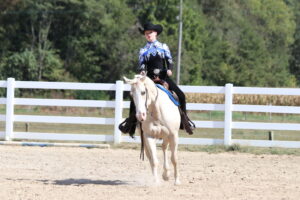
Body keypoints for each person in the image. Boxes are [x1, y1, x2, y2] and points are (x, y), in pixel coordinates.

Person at [119, 22, 195, 137]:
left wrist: (169, 69)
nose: (148, 35)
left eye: (150, 32)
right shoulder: (143, 50)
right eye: (146, 33)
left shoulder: (163, 46)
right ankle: (131, 124)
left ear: (155, 33)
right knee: (135, 97)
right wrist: (142, 71)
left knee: (181, 95)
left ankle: (184, 121)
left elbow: (169, 60)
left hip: (163, 76)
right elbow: (141, 64)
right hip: (148, 78)